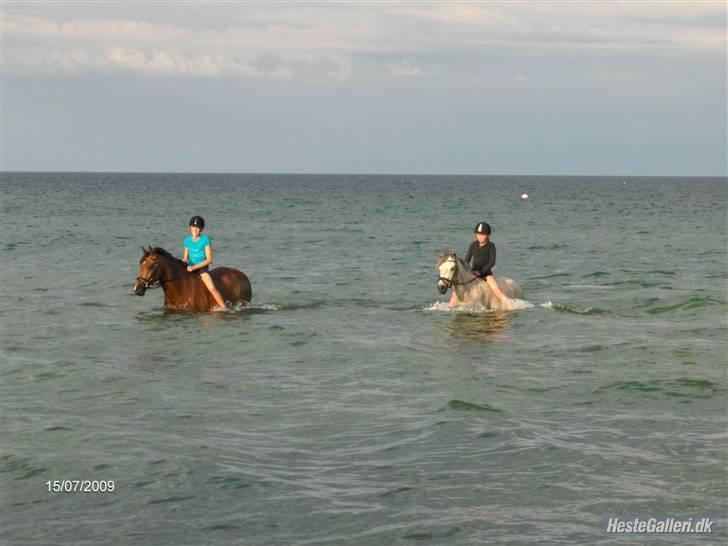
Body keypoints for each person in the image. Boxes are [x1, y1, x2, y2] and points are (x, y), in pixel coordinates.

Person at [449, 222, 515, 309]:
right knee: (456, 292)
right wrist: (464, 269)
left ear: (487, 235)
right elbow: (466, 261)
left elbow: (492, 262)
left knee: (496, 290)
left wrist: (481, 272)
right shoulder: (473, 245)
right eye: (478, 234)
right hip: (473, 273)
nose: (480, 237)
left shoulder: (491, 246)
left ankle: (509, 305)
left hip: (486, 274)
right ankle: (450, 307)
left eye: (483, 235)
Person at [183, 215, 227, 310]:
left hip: (201, 268)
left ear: (201, 229)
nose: (195, 229)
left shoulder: (205, 240)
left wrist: (194, 268)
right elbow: (185, 258)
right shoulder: (187, 240)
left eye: (197, 227)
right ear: (190, 227)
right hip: (189, 267)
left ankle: (224, 308)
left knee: (212, 288)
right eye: (193, 227)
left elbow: (209, 260)